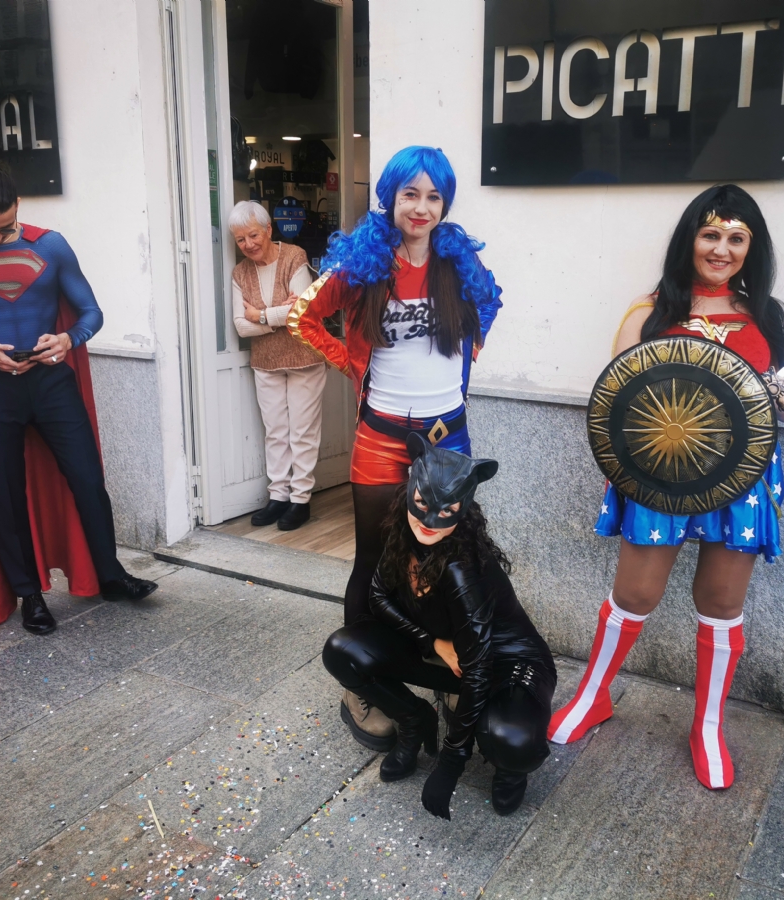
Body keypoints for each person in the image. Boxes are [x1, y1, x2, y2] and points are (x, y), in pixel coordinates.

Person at [547, 184, 784, 790]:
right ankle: (592, 697)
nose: (721, 248)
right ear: (690, 239)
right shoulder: (649, 310)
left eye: (735, 237)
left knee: (722, 605)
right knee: (636, 593)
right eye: (710, 234)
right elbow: (619, 404)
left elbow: (782, 409)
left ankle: (706, 726)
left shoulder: (766, 316)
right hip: (659, 476)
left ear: (751, 248)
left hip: (741, 480)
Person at [289, 146, 503, 751]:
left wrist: (456, 375)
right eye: (411, 193)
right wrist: (353, 367)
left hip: (448, 437)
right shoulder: (365, 261)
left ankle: (450, 668)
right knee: (374, 560)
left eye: (435, 196)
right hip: (382, 438)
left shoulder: (458, 262)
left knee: (454, 559)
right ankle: (363, 679)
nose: (423, 207)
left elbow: (487, 313)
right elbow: (304, 319)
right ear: (390, 196)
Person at [0, 152, 157, 636]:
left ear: (18, 206)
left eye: (7, 226)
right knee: (5, 494)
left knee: (87, 479)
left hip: (51, 383)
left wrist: (69, 339)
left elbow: (90, 312)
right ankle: (30, 596)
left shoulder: (52, 246)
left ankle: (111, 575)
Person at [323, 434, 556, 819]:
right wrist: (432, 643)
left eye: (446, 510)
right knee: (343, 650)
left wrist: (452, 761)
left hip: (503, 664)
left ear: (463, 510)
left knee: (508, 737)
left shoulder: (462, 568)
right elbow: (378, 596)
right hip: (453, 656)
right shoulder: (402, 532)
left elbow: (479, 668)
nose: (429, 522)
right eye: (420, 505)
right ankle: (415, 720)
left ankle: (510, 770)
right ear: (409, 493)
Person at [230, 201, 324, 530]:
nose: (249, 245)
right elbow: (241, 326)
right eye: (240, 240)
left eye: (253, 235)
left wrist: (260, 314)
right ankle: (278, 496)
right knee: (276, 432)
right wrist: (274, 317)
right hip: (266, 361)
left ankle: (300, 500)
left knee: (302, 431)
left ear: (269, 230)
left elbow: (300, 312)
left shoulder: (294, 256)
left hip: (304, 357)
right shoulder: (240, 272)